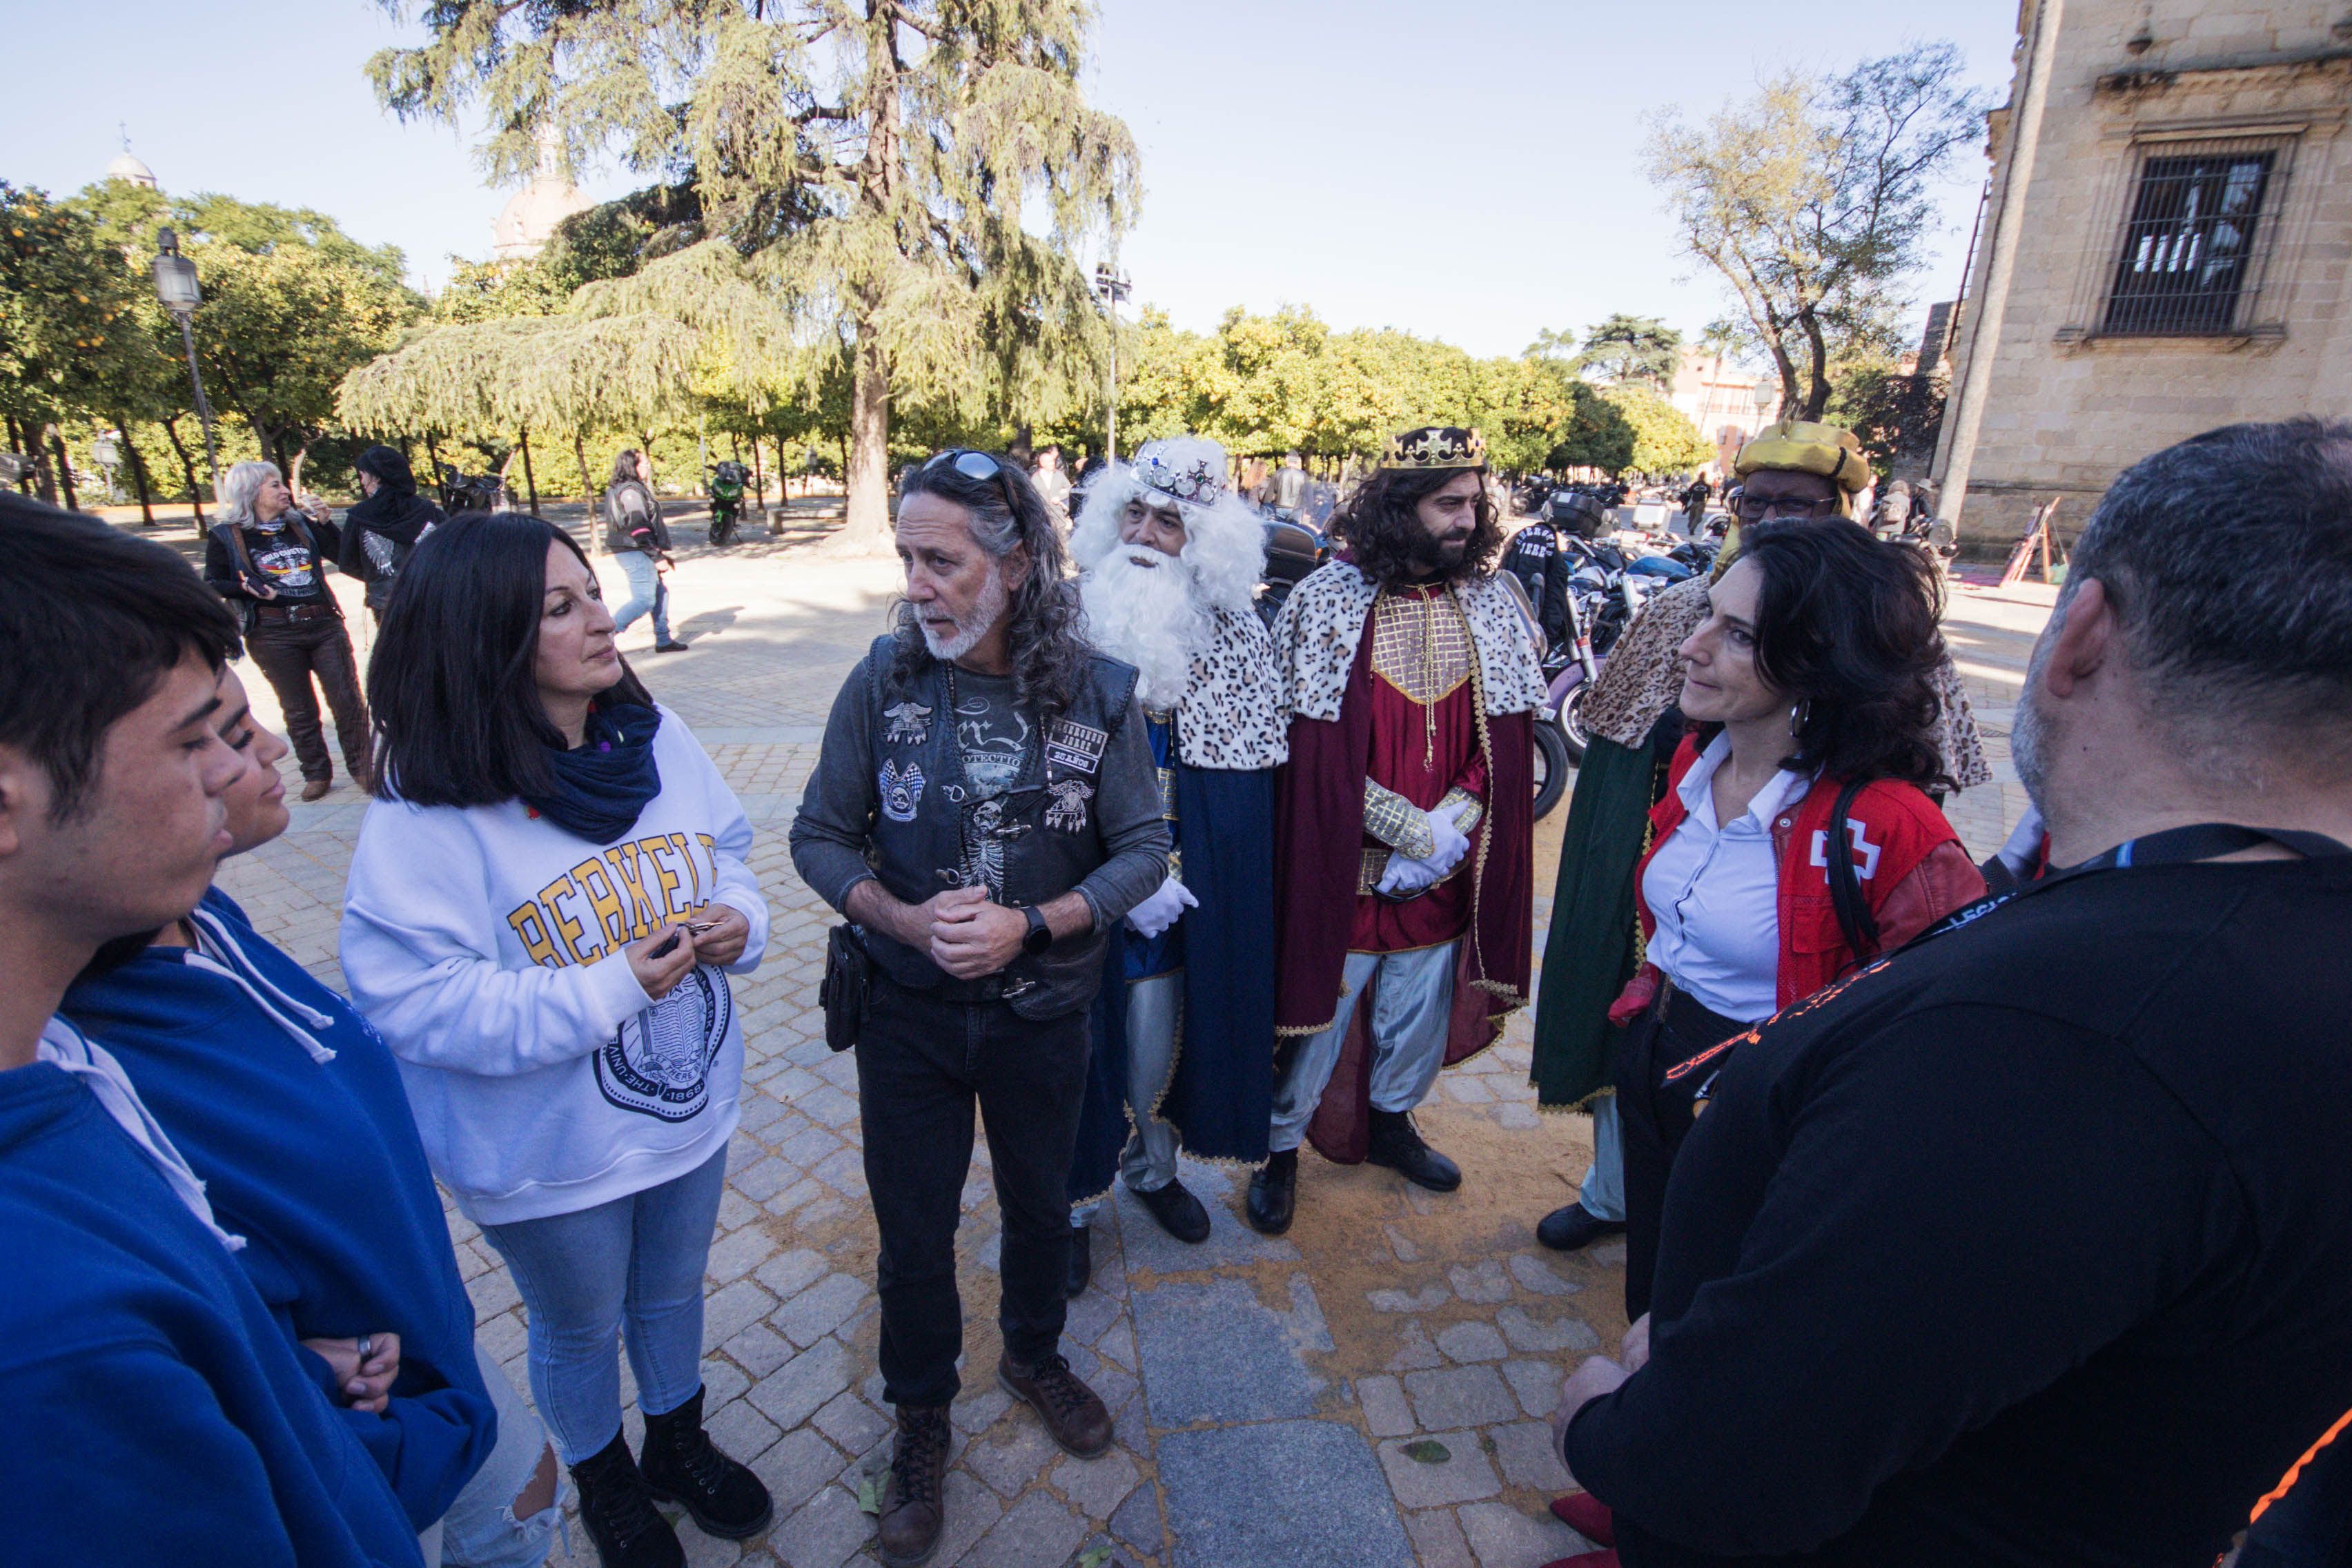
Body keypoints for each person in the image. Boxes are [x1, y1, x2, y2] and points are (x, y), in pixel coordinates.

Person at [1554, 418, 2352, 1567]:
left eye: (1738, 632)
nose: (1700, 650)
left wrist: (1610, 1430)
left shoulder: (2030, 1029)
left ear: (2076, 636)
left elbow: (1746, 1455)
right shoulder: (2234, 944)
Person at [342, 513, 772, 1568]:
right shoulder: (428, 806)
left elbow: (727, 851)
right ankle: (604, 1477)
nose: (603, 617)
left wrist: (737, 920)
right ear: (484, 637)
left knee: (673, 1290)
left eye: (594, 591)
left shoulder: (655, 736)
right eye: (561, 606)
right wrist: (607, 989)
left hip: (685, 1108)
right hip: (547, 1152)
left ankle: (676, 1440)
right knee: (578, 1325)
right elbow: (416, 1002)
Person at [0, 493, 421, 1566]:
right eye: (199, 739)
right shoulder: (47, 1338)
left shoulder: (60, 1064)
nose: (250, 760)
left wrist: (285, 1377)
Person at [63, 662, 561, 1568]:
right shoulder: (92, 1044)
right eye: (199, 734)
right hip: (368, 1433)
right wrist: (302, 1379)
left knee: (520, 1505)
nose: (251, 751)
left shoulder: (202, 921)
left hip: (414, 1374)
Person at [788, 449, 1169, 1567]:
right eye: (905, 557)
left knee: (1041, 1206)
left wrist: (1038, 919)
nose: (916, 582)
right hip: (904, 1016)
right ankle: (919, 1417)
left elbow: (1144, 847)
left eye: (940, 561)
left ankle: (1031, 1352)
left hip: (1044, 1012)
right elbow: (818, 831)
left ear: (1013, 565)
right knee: (911, 1229)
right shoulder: (882, 679)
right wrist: (898, 920)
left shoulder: (1100, 689)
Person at [1530, 420, 1991, 1257]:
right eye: (1756, 499)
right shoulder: (1679, 618)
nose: (1772, 516)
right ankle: (1617, 1194)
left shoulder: (1882, 770)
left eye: (1799, 503)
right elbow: (1609, 764)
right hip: (1666, 939)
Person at [1248, 426, 1545, 1233]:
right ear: (1397, 508)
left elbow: (1507, 743)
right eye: (1448, 503)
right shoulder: (1322, 599)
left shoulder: (1488, 601)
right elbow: (1307, 754)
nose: (1466, 518)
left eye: (1473, 503)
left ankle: (1390, 1124)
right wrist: (1406, 830)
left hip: (1444, 870)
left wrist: (1452, 826)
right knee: (1314, 1012)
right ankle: (1278, 1148)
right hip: (1345, 865)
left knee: (1416, 1010)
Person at [1062, 436, 1286, 1293]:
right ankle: (1071, 1203)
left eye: (1171, 524)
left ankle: (1152, 1174)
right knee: (1076, 1050)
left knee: (1157, 1041)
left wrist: (1180, 868)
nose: (1148, 537)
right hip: (1074, 890)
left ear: (1206, 544)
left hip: (1180, 898)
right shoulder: (1064, 620)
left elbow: (1244, 794)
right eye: (1137, 514)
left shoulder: (1236, 637)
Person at [203, 458, 371, 801]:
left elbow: (345, 558)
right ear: (252, 493)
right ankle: (316, 772)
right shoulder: (227, 534)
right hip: (272, 632)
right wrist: (244, 587)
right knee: (298, 708)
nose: (285, 490)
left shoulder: (300, 524)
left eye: (282, 484)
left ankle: (362, 768)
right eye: (275, 485)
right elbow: (214, 582)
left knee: (347, 700)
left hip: (323, 623)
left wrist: (326, 524)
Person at [342, 445, 446, 623]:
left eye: (362, 475)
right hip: (433, 601)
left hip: (386, 606)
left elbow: (348, 563)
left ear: (375, 477)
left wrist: (376, 578)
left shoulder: (360, 517)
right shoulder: (432, 513)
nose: (362, 482)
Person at [604, 450, 689, 654]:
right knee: (644, 600)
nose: (648, 468)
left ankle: (663, 639)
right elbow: (639, 527)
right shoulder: (631, 492)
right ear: (632, 466)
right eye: (645, 465)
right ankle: (603, 638)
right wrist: (657, 556)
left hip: (636, 549)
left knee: (660, 593)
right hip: (635, 550)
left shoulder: (628, 489)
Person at [1031, 443, 1072, 522]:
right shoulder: (1035, 478)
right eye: (1049, 462)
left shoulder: (1059, 475)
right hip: (1041, 517)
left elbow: (1069, 489)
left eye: (1053, 461)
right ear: (1042, 463)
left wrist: (1060, 496)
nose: (1052, 464)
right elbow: (1031, 495)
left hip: (1058, 516)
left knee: (1062, 535)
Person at [1272, 451, 1309, 515]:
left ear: (1286, 459)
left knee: (1280, 525)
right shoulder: (1303, 475)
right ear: (1297, 461)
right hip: (1296, 508)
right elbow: (1307, 493)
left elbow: (1271, 492)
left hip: (1280, 506)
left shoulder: (1278, 473)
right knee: (1294, 525)